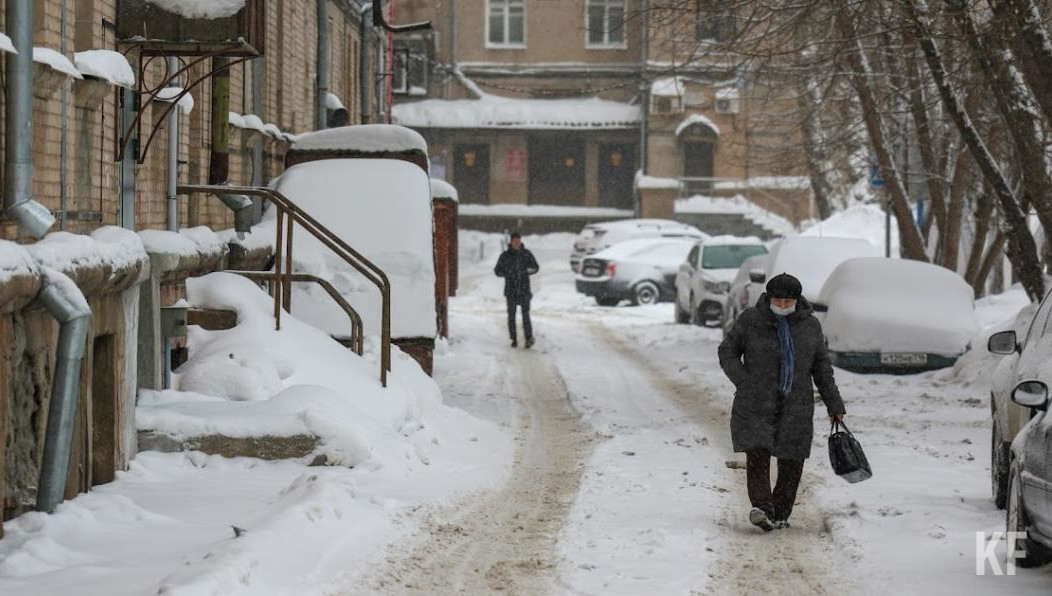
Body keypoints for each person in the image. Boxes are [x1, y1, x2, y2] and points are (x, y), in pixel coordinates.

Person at [717, 273, 846, 532]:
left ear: (798, 301)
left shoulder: (810, 327)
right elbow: (727, 351)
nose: (783, 306)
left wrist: (835, 405)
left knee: (792, 460)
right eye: (779, 301)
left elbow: (821, 368)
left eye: (789, 302)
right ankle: (762, 508)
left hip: (795, 404)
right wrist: (744, 381)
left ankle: (780, 512)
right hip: (756, 402)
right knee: (757, 453)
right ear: (769, 298)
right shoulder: (751, 321)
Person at [494, 231, 540, 348]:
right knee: (511, 316)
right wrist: (507, 273)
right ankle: (513, 339)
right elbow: (497, 271)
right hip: (511, 291)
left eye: (519, 241)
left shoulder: (526, 254)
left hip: (524, 290)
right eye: (515, 241)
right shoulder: (505, 256)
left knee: (526, 315)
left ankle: (528, 338)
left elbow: (535, 267)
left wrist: (525, 272)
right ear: (511, 242)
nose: (517, 243)